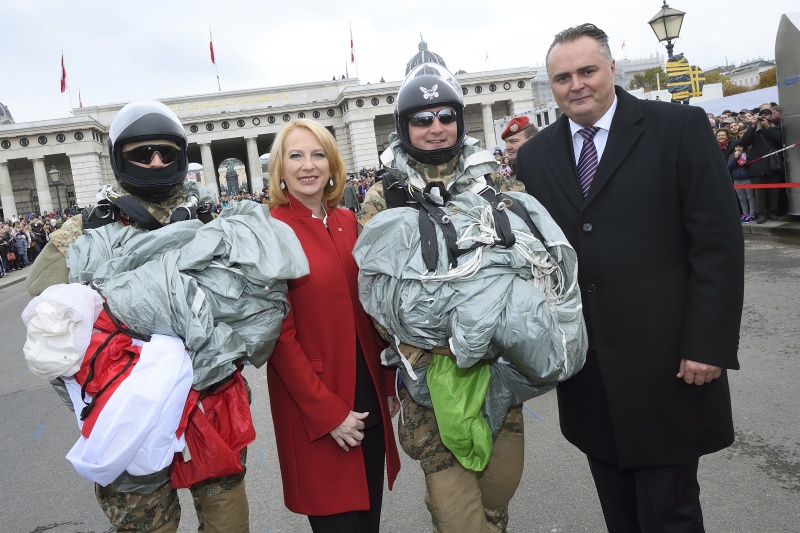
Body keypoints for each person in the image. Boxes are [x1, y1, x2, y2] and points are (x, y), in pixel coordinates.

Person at [516, 24, 744, 532]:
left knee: (670, 514)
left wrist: (708, 343)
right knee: (619, 514)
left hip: (669, 366)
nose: (576, 85)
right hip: (590, 375)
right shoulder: (535, 155)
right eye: (562, 78)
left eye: (587, 71)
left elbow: (717, 246)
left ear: (612, 69)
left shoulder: (677, 128)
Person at [27, 100, 252, 533]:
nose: (156, 162)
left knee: (227, 519)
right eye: (143, 153)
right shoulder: (88, 228)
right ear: (120, 158)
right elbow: (46, 312)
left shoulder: (211, 219)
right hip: (131, 408)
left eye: (167, 152)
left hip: (210, 396)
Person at [358, 63, 532, 533]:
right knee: (458, 514)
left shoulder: (496, 183)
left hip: (498, 367)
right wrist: (426, 347)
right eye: (422, 119)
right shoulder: (384, 198)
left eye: (445, 116)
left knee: (498, 493)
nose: (436, 127)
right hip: (431, 375)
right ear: (404, 127)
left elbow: (532, 261)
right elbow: (375, 291)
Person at [265, 119, 400, 533]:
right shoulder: (270, 230)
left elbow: (372, 309)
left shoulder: (348, 221)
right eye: (296, 156)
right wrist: (327, 413)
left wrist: (388, 383)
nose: (308, 165)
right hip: (316, 408)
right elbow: (278, 338)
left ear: (332, 165)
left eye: (318, 154)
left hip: (367, 397)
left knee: (369, 523)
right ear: (280, 169)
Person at [736, 107, 784, 223]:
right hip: (758, 166)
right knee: (759, 193)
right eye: (761, 115)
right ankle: (761, 214)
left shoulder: (776, 128)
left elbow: (779, 139)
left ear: (771, 117)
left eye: (766, 115)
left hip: (774, 164)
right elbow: (744, 142)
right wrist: (752, 126)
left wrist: (767, 127)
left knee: (774, 192)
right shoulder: (754, 131)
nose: (763, 117)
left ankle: (772, 212)